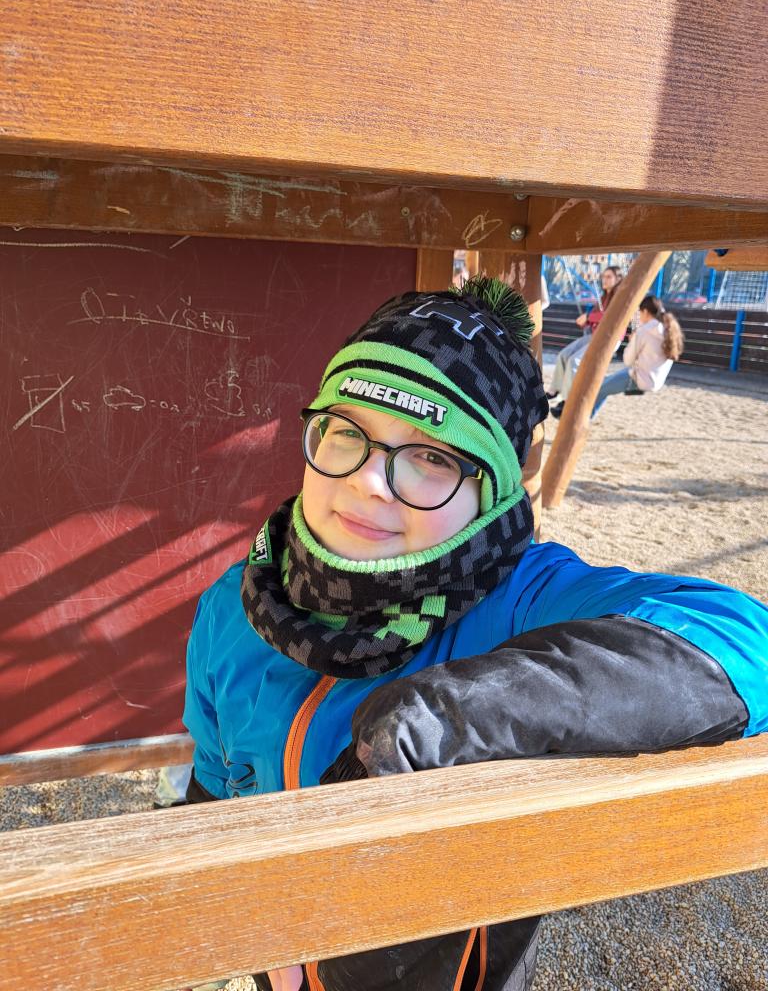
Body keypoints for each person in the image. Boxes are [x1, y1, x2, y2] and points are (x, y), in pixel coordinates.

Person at [182, 277, 768, 991]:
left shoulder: (519, 599)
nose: (368, 481)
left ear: (490, 495)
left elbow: (745, 641)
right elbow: (215, 789)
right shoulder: (234, 606)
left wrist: (446, 715)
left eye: (432, 456)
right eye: (347, 431)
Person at [548, 265, 622, 418]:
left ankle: (567, 400)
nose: (604, 280)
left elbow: (610, 316)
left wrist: (588, 317)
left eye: (609, 277)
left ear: (618, 279)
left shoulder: (620, 297)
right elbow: (595, 316)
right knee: (563, 355)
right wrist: (586, 321)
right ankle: (555, 389)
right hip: (595, 335)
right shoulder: (603, 298)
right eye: (604, 276)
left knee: (574, 361)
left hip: (609, 338)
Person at [591, 295, 684, 416]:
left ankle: (585, 419)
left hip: (639, 379)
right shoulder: (667, 329)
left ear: (645, 312)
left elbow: (627, 361)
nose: (638, 316)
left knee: (598, 390)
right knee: (605, 381)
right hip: (655, 380)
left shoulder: (644, 331)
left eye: (639, 313)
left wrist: (632, 341)